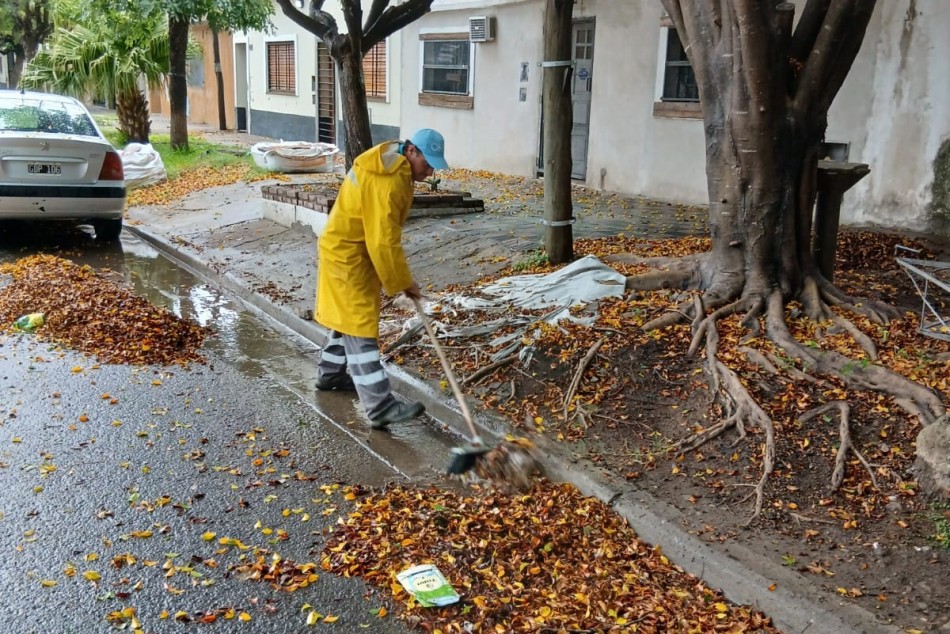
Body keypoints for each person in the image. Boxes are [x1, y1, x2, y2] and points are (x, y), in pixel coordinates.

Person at [314, 129, 449, 429]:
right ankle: (380, 406)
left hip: (351, 251)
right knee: (360, 327)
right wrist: (403, 282)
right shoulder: (389, 178)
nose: (430, 172)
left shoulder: (392, 162)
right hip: (348, 256)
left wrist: (399, 279)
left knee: (346, 319)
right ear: (411, 151)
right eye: (427, 163)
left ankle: (329, 374)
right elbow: (383, 241)